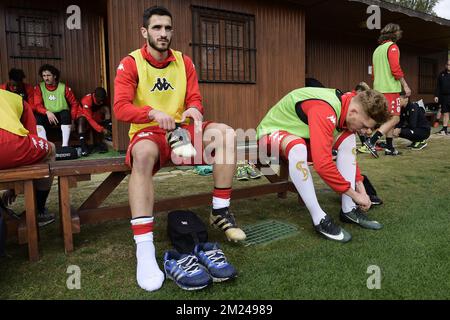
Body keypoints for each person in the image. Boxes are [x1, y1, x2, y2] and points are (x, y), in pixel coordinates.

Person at [113, 6, 246, 292]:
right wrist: (151, 113)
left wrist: (195, 110)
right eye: (157, 28)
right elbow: (120, 107)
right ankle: (145, 248)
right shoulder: (131, 63)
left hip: (183, 130)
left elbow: (195, 98)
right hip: (149, 131)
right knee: (143, 155)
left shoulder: (184, 62)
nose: (163, 34)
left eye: (168, 28)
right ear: (144, 31)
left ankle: (220, 211)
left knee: (226, 133)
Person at [256, 86, 391, 243]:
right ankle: (318, 218)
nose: (367, 131)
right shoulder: (325, 110)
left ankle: (349, 209)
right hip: (270, 134)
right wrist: (355, 195)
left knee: (347, 138)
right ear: (354, 112)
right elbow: (323, 164)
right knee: (297, 147)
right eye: (365, 126)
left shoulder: (347, 104)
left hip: (299, 135)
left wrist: (362, 190)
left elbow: (346, 155)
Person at [0, 89, 56, 226]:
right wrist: (14, 186)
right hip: (8, 144)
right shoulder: (15, 98)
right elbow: (32, 139)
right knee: (51, 149)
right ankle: (39, 211)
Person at [364, 23, 411, 157]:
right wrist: (405, 85)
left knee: (388, 118)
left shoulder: (377, 50)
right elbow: (395, 69)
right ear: (394, 33)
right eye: (398, 31)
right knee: (395, 119)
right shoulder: (392, 47)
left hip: (379, 89)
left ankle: (389, 148)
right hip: (390, 89)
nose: (400, 33)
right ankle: (372, 140)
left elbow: (373, 73)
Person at [33, 64, 79, 147]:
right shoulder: (39, 87)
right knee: (37, 118)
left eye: (48, 75)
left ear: (55, 76)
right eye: (44, 76)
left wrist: (72, 120)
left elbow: (74, 103)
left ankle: (65, 145)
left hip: (60, 116)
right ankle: (46, 146)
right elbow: (37, 105)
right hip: (47, 115)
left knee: (65, 113)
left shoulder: (64, 87)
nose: (46, 78)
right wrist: (47, 112)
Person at [76, 87, 112, 156]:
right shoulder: (86, 100)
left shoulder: (103, 99)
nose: (101, 102)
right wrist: (101, 129)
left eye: (103, 100)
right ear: (95, 96)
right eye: (100, 100)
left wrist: (105, 128)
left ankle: (109, 134)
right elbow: (89, 119)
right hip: (83, 114)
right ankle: (83, 147)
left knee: (106, 108)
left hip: (94, 114)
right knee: (82, 120)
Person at [434, 60, 450, 136]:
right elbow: (438, 86)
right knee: (445, 113)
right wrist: (436, 95)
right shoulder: (442, 74)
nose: (448, 66)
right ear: (445, 65)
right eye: (447, 64)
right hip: (444, 97)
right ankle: (444, 128)